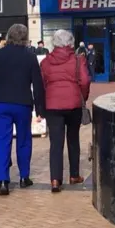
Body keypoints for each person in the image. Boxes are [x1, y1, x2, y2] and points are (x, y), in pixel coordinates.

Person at [0, 24, 45, 196]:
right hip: (22, 103)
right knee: (24, 140)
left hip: (0, 104)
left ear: (9, 36)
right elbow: (38, 84)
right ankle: (24, 177)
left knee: (2, 142)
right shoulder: (30, 56)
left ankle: (3, 180)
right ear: (25, 38)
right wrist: (40, 107)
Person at [40, 30, 91, 193]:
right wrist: (82, 96)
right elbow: (85, 80)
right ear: (71, 43)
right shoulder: (78, 60)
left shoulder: (46, 62)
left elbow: (42, 85)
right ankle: (74, 175)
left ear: (54, 43)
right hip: (73, 104)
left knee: (55, 143)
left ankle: (55, 180)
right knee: (73, 139)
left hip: (52, 106)